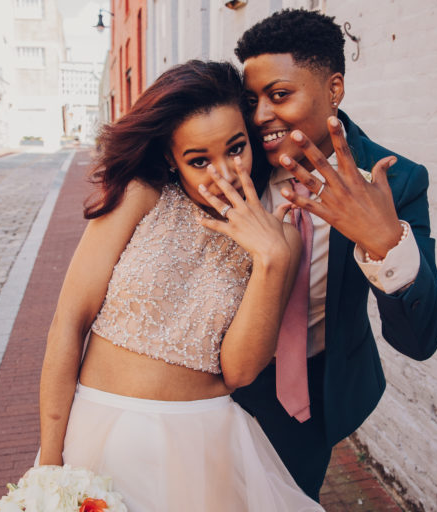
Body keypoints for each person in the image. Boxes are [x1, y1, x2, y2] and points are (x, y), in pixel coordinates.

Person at [38, 60, 323, 511]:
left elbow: (240, 372)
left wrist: (270, 259)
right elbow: (67, 325)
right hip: (101, 432)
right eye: (198, 160)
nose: (224, 173)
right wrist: (49, 465)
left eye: (235, 149)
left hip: (204, 444)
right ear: (172, 158)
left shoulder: (280, 241)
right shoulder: (140, 195)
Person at [230, 9, 437, 500]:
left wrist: (384, 242)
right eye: (252, 100)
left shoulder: (396, 182)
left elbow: (422, 338)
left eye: (279, 95)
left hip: (309, 398)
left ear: (334, 89)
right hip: (216, 389)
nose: (261, 114)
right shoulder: (234, 165)